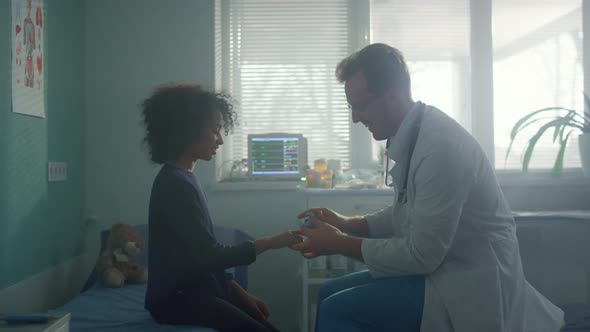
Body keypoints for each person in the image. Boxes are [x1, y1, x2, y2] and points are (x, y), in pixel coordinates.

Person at [292, 43, 564, 332]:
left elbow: (421, 254)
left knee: (338, 309)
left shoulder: (440, 147)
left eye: (360, 106)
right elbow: (406, 211)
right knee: (326, 294)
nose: (355, 118)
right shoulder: (414, 133)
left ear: (392, 96)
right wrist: (348, 224)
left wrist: (338, 242)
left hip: (471, 281)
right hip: (443, 269)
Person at [141, 83, 301, 332]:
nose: (220, 139)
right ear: (188, 130)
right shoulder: (175, 186)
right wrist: (270, 242)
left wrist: (239, 295)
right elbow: (210, 256)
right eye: (215, 130)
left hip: (198, 289)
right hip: (176, 301)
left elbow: (199, 257)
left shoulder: (184, 178)